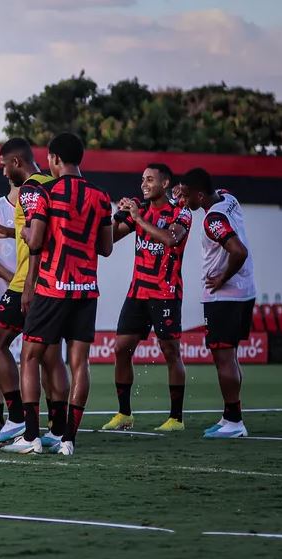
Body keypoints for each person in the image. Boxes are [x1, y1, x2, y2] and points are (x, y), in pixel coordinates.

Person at [3, 133, 112, 456]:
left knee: (30, 357)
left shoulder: (43, 190)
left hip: (51, 287)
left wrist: (22, 231)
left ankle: (32, 436)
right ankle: (68, 439)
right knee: (78, 363)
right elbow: (105, 248)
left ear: (53, 159)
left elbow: (35, 241)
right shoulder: (101, 196)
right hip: (86, 289)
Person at [0, 138, 68, 446]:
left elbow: (38, 240)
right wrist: (9, 232)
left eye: (4, 166)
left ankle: (17, 418)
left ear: (16, 163)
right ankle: (57, 428)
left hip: (28, 282)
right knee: (51, 356)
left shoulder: (29, 189)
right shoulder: (52, 184)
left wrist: (28, 284)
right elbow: (47, 229)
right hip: (55, 283)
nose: (3, 173)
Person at [102, 163, 192, 432]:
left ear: (165, 184)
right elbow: (106, 244)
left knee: (170, 352)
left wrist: (139, 219)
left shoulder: (181, 212)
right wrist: (117, 216)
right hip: (137, 291)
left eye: (150, 179)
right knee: (120, 349)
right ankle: (124, 414)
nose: (144, 184)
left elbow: (171, 239)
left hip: (166, 293)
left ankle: (176, 418)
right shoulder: (138, 211)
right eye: (143, 179)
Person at [176, 168, 256, 439]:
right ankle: (230, 415)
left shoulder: (212, 219)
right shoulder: (226, 196)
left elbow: (239, 251)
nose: (184, 201)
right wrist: (182, 191)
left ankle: (235, 422)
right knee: (230, 357)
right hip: (244, 292)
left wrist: (221, 278)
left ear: (200, 194)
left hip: (225, 297)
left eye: (187, 196)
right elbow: (208, 189)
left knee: (223, 359)